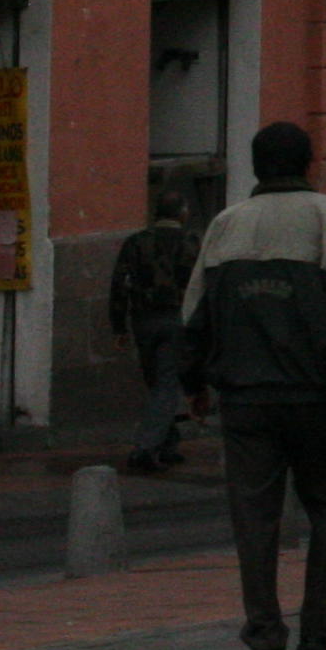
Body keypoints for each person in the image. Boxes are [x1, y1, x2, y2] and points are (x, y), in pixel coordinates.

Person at [180, 122, 326, 650]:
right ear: (309, 164)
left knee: (255, 520)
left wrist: (191, 382)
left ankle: (263, 642)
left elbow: (194, 316)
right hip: (314, 396)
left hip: (244, 400)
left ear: (255, 167)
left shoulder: (225, 226)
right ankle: (320, 631)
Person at [109, 193, 200, 475]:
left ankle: (168, 442)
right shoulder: (191, 243)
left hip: (143, 320)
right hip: (177, 319)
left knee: (157, 380)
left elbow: (119, 284)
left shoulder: (136, 242)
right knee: (166, 382)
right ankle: (146, 448)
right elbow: (202, 284)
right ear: (182, 213)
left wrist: (119, 325)